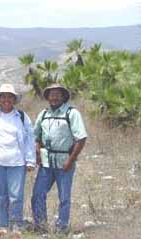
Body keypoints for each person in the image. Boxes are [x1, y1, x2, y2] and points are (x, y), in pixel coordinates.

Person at [0, 83, 36, 239]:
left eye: (10, 97)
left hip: (17, 162)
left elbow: (30, 138)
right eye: (3, 96)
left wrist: (30, 160)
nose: (6, 99)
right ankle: (3, 225)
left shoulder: (22, 117)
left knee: (16, 195)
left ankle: (16, 225)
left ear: (14, 99)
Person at [31, 84, 87, 235]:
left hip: (64, 161)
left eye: (57, 94)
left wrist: (70, 160)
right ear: (47, 97)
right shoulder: (43, 114)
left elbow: (81, 138)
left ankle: (61, 228)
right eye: (51, 94)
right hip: (46, 162)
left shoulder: (71, 113)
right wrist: (37, 152)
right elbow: (35, 136)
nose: (54, 97)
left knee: (64, 197)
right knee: (38, 194)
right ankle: (41, 226)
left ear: (63, 97)